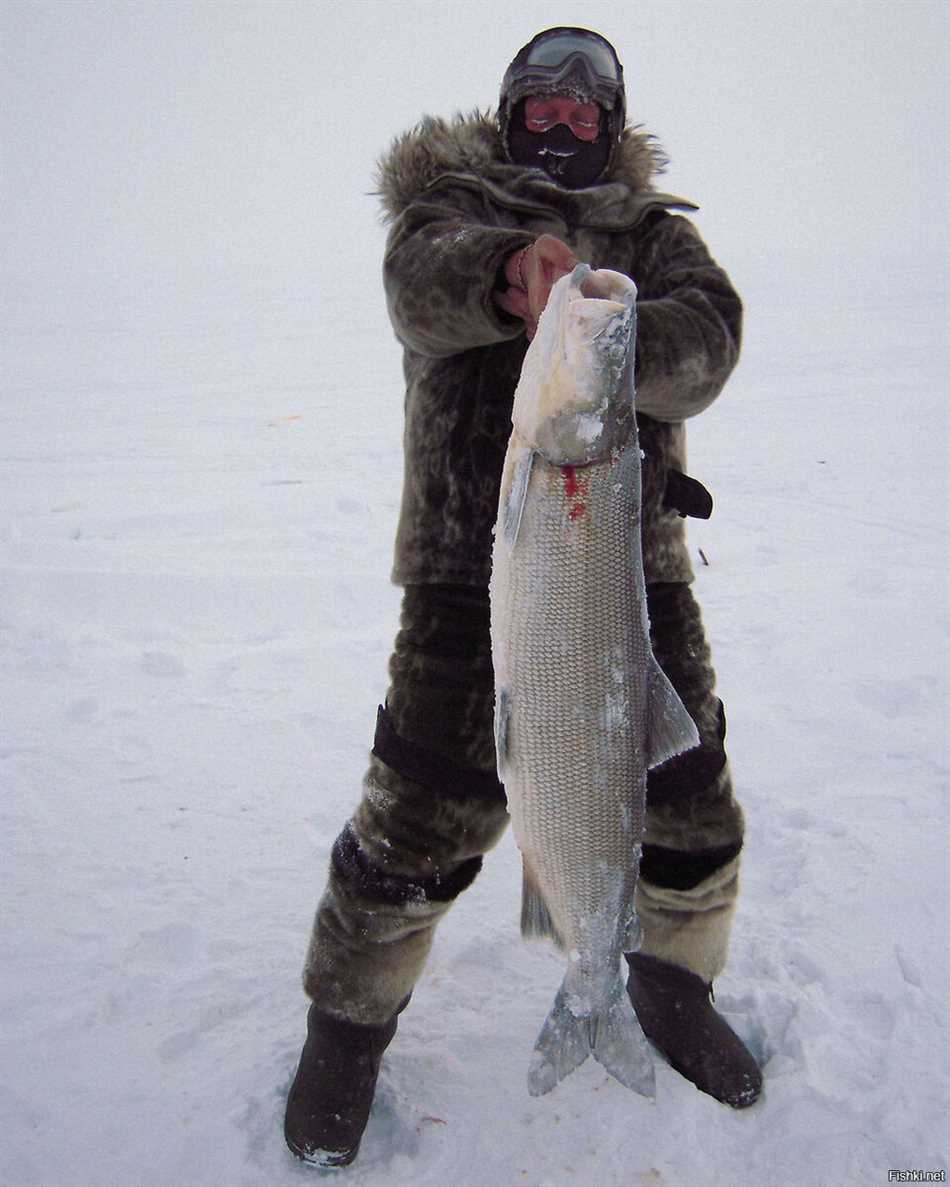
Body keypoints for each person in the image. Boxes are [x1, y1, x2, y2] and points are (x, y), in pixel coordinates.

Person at [284, 26, 761, 1169]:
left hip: (632, 573)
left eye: (580, 105)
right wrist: (514, 273)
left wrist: (611, 325)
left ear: (610, 118)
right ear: (509, 114)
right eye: (536, 104)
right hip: (467, 578)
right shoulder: (446, 207)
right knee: (419, 824)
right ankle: (344, 1029)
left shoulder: (653, 234)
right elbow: (420, 289)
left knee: (687, 804)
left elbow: (707, 345)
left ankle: (666, 981)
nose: (558, 121)